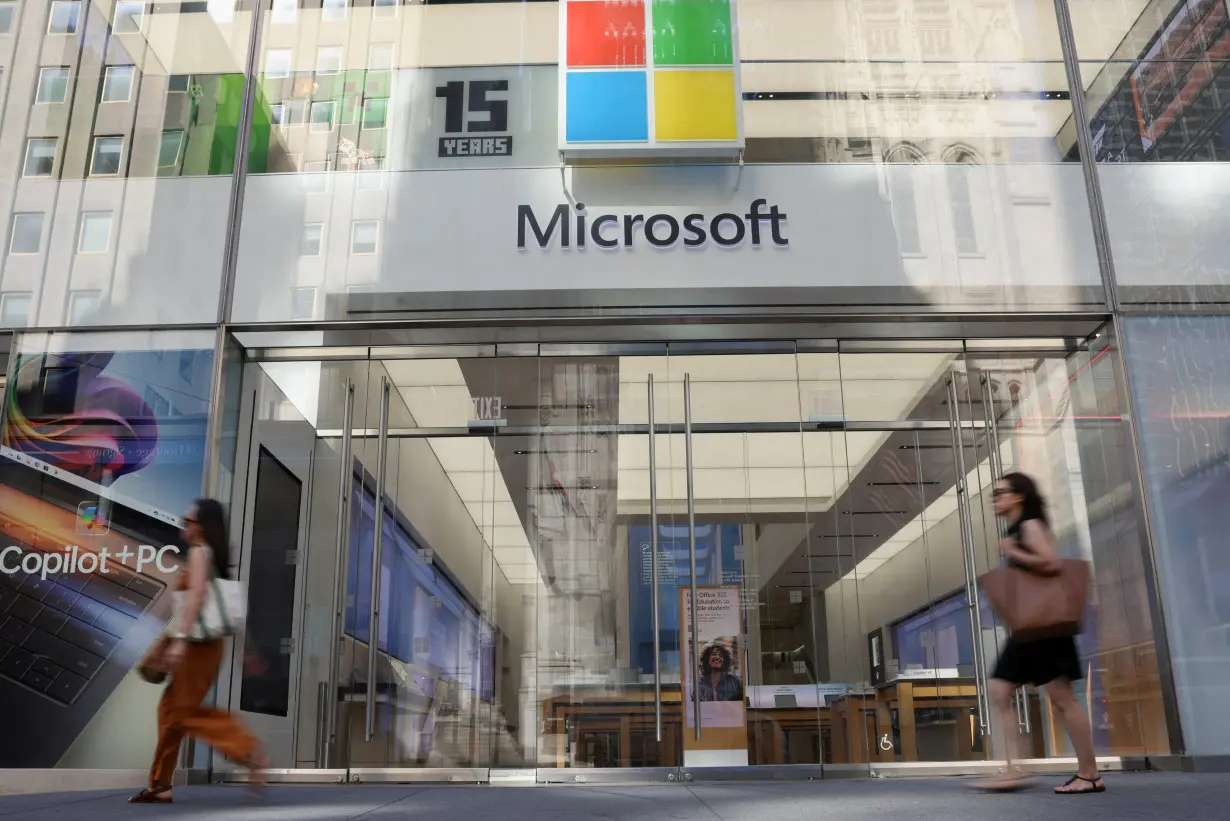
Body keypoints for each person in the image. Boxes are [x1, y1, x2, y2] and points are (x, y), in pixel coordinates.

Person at [128, 499, 267, 804]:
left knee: (182, 712)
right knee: (169, 712)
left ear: (201, 526)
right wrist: (248, 650)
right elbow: (231, 609)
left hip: (196, 646)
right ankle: (160, 784)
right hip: (205, 645)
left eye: (187, 520)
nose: (183, 525)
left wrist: (180, 640)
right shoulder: (213, 557)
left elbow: (197, 597)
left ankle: (247, 750)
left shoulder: (200, 552)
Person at [982, 472, 1104, 795]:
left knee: (1062, 698)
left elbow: (1051, 563)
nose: (996, 498)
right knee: (999, 689)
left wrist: (1014, 551)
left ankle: (1089, 773)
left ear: (1018, 496)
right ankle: (1015, 769)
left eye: (1001, 492)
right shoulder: (1020, 527)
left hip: (1044, 627)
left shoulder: (1029, 526)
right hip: (1032, 628)